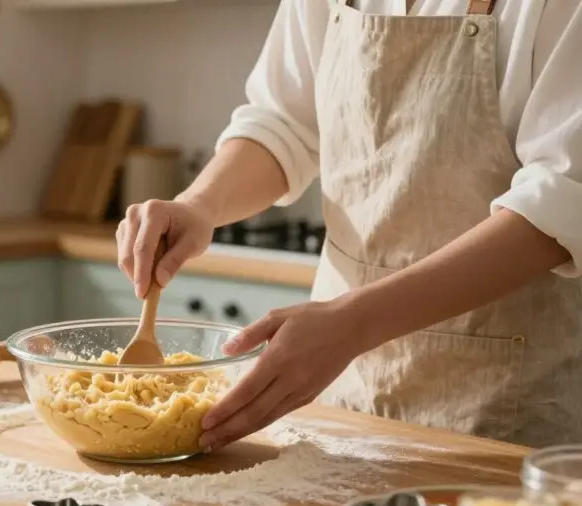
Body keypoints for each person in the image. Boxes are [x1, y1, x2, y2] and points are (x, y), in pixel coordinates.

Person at [116, 0, 582, 451]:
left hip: (506, 412)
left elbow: (559, 204)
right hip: (345, 397)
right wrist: (200, 203)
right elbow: (284, 123)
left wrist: (355, 324)